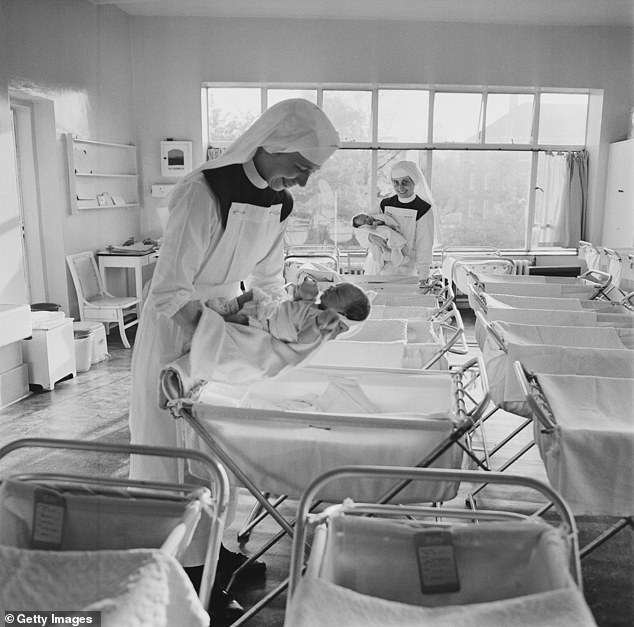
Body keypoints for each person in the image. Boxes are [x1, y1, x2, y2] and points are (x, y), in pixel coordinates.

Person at [128, 98, 339, 619]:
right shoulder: (204, 191)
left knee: (219, 453)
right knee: (175, 460)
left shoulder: (279, 204)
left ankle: (217, 555)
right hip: (176, 335)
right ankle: (183, 576)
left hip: (220, 331)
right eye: (301, 168)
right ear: (272, 145)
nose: (304, 183)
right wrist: (224, 332)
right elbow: (170, 294)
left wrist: (285, 315)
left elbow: (266, 283)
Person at [209, 279, 371, 343]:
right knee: (254, 293)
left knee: (242, 321)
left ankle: (218, 322)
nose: (331, 288)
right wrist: (299, 295)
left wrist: (317, 326)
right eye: (335, 286)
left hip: (268, 326)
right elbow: (296, 308)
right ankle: (227, 308)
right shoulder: (315, 306)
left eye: (337, 292)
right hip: (273, 309)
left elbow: (304, 341)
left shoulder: (324, 325)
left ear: (341, 314)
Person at [367, 160, 436, 282]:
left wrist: (423, 277)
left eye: (405, 182)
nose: (400, 187)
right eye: (396, 183)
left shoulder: (423, 209)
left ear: (414, 182)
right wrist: (371, 237)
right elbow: (363, 226)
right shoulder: (384, 204)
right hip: (380, 269)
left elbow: (424, 246)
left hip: (407, 272)